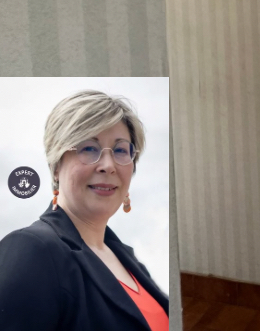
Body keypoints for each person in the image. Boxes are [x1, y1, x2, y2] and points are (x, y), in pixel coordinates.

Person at [0, 90, 169, 330]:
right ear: (56, 166)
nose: (108, 166)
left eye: (121, 150)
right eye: (89, 148)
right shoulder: (32, 250)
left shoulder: (127, 258)